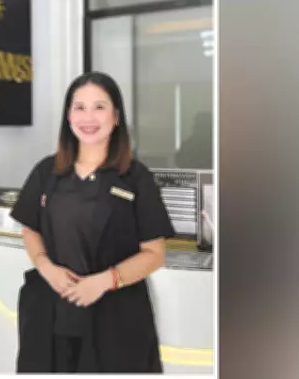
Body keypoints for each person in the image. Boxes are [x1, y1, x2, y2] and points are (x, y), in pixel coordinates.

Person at [10, 71, 175, 373]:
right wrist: (46, 268)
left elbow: (155, 253)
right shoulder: (47, 171)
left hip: (116, 318)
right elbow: (30, 228)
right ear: (68, 117)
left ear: (116, 117)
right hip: (51, 312)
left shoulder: (136, 177)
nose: (88, 117)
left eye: (99, 107)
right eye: (79, 107)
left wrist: (104, 281)